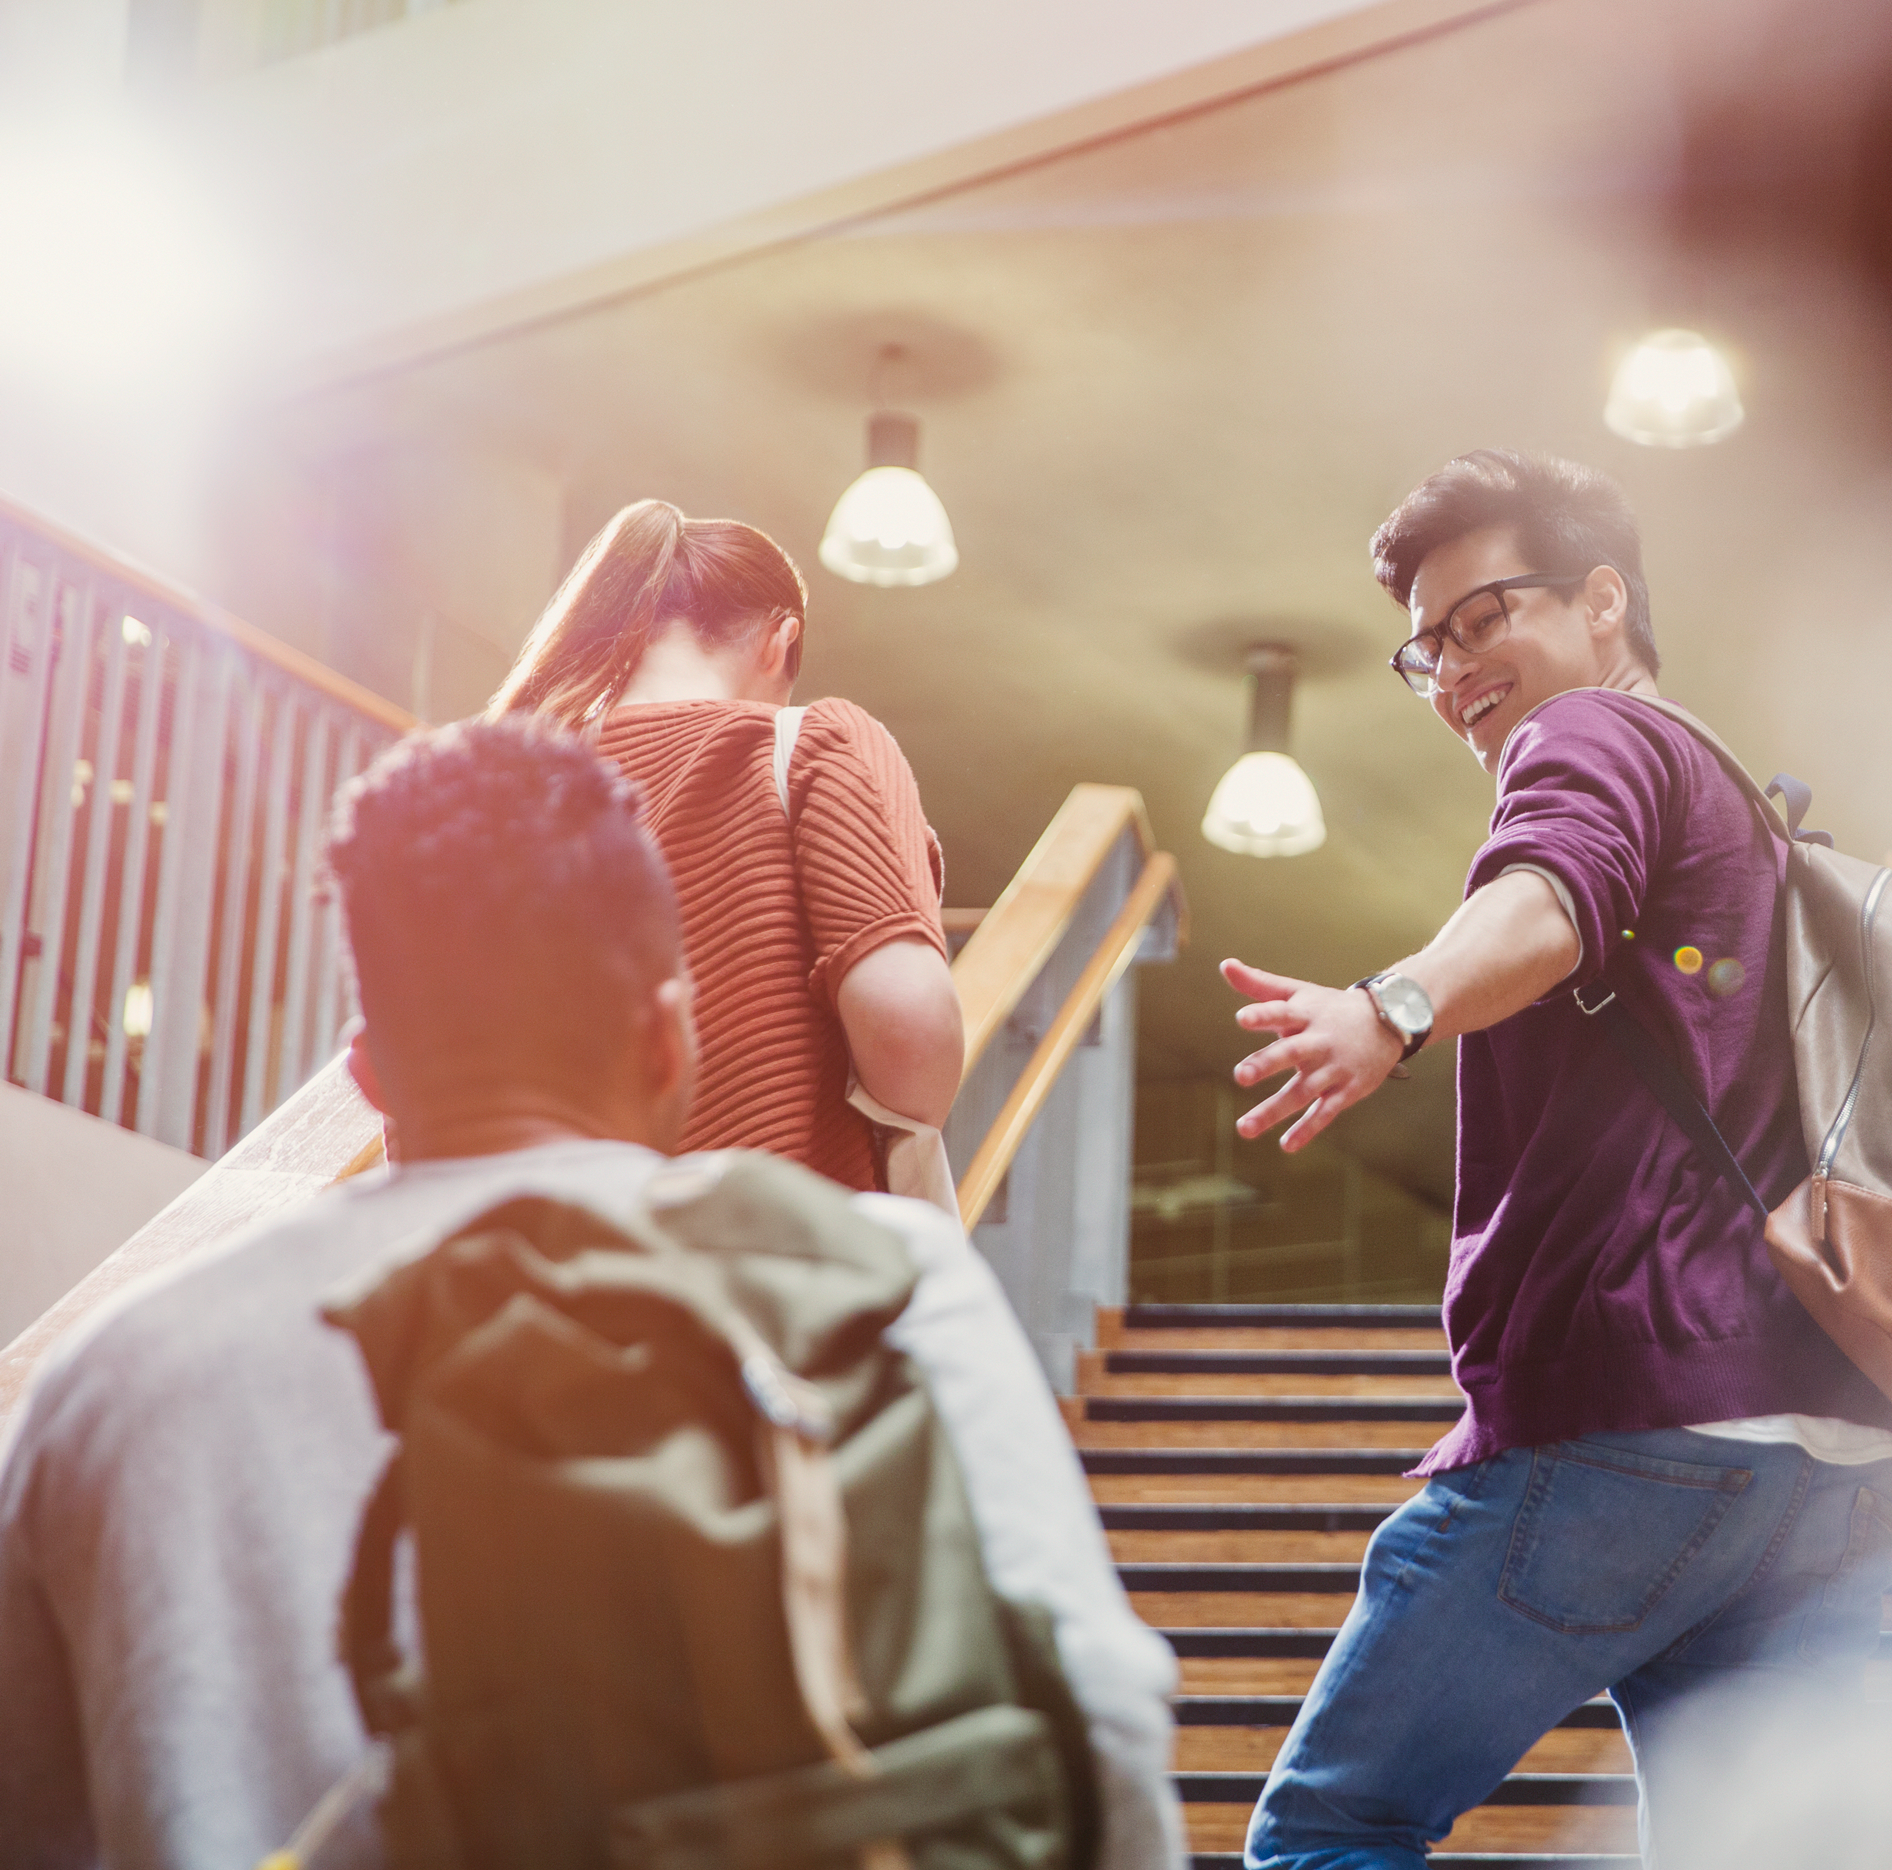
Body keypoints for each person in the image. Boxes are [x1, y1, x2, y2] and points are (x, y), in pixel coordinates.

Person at [0, 717, 1184, 1870]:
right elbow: (1105, 1731)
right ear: (670, 1041)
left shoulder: (107, 1381)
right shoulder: (877, 1277)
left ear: (366, 1072)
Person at [1229, 449, 1892, 1868]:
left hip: (1630, 1418)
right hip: (1820, 1456)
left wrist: (1391, 1007)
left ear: (1606, 601)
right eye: (1427, 651)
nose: (1457, 669)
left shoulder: (1593, 739)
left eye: (1486, 618)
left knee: (1331, 1832)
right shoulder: (1755, 816)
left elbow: (1549, 894)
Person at [488, 499, 963, 1202]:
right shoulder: (813, 744)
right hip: (763, 1271)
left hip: (545, 1271)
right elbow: (911, 1037)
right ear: (780, 641)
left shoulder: (500, 794)